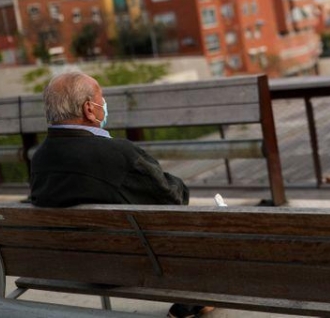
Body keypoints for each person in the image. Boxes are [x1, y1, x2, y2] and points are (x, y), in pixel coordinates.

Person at [29, 71, 211, 318]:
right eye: (101, 98)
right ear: (89, 109)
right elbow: (174, 199)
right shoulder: (118, 155)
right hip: (125, 267)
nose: (104, 104)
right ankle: (190, 301)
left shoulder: (39, 159)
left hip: (73, 266)